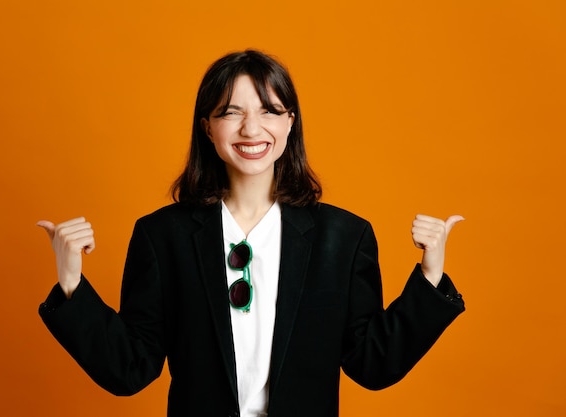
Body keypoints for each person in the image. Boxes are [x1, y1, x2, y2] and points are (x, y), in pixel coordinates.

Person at [37, 49, 465, 417]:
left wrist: (430, 276)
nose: (251, 129)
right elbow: (130, 367)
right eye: (231, 112)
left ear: (290, 123)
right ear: (207, 126)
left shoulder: (343, 238)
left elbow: (372, 364)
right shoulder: (161, 236)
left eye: (269, 111)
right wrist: (71, 284)